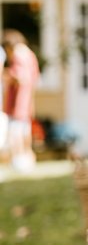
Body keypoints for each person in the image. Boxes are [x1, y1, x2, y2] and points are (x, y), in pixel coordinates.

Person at [2, 29, 41, 172]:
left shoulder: (18, 54)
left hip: (18, 100)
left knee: (15, 130)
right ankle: (28, 159)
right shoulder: (30, 54)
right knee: (25, 129)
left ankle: (19, 160)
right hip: (27, 99)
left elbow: (19, 76)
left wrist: (5, 75)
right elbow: (35, 76)